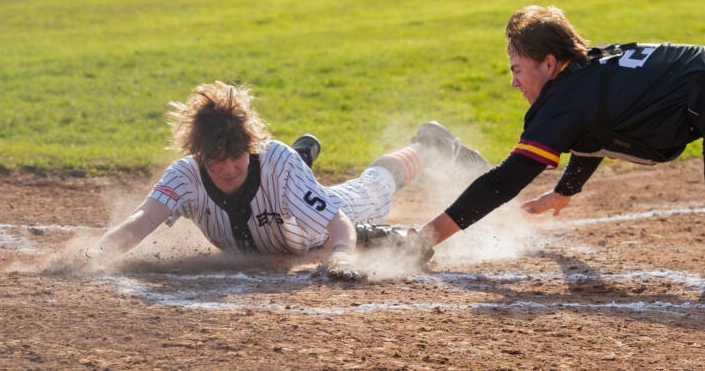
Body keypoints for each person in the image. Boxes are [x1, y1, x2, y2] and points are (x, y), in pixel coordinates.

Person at [418, 5, 705, 270]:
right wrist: (564, 191)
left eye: (517, 70)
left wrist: (422, 240)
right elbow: (593, 136)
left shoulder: (564, 102)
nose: (513, 83)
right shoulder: (588, 72)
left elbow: (503, 182)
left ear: (548, 63)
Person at [89, 81, 489, 279]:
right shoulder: (185, 176)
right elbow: (141, 221)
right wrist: (93, 256)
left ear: (250, 144)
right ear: (198, 155)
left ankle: (428, 144)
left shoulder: (272, 161)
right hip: (285, 202)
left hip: (313, 224)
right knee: (286, 178)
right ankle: (302, 162)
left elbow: (337, 225)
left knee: (375, 186)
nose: (229, 167)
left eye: (238, 155)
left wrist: (341, 256)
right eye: (217, 160)